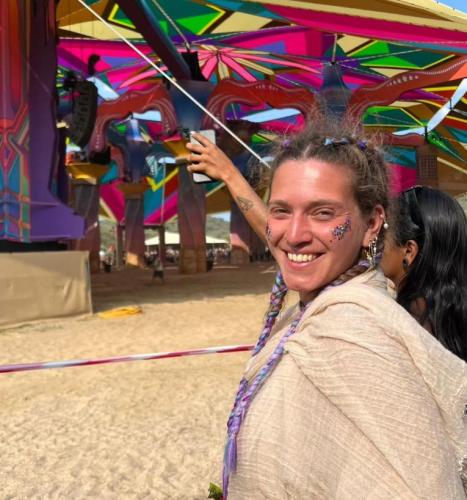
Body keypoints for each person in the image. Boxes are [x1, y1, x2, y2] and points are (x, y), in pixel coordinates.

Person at [187, 121, 467, 498]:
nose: (294, 234)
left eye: (322, 213)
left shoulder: (354, 333)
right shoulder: (322, 303)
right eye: (281, 211)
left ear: (372, 224)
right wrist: (230, 176)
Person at [381, 185, 467, 362]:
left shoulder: (400, 330)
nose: (376, 243)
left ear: (409, 251)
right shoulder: (454, 317)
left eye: (384, 234)